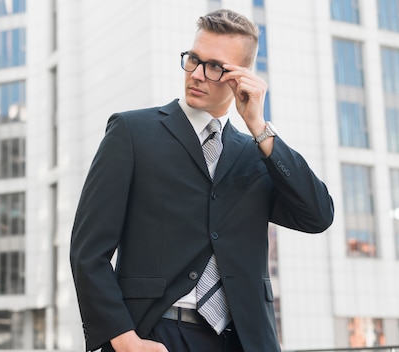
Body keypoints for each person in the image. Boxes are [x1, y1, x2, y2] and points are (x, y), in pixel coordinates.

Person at [70, 8, 334, 352]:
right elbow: (88, 251)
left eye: (214, 67)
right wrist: (124, 339)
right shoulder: (132, 133)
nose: (196, 74)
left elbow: (317, 216)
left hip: (242, 340)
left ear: (241, 76)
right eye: (193, 59)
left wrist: (259, 127)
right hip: (155, 334)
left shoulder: (257, 154)